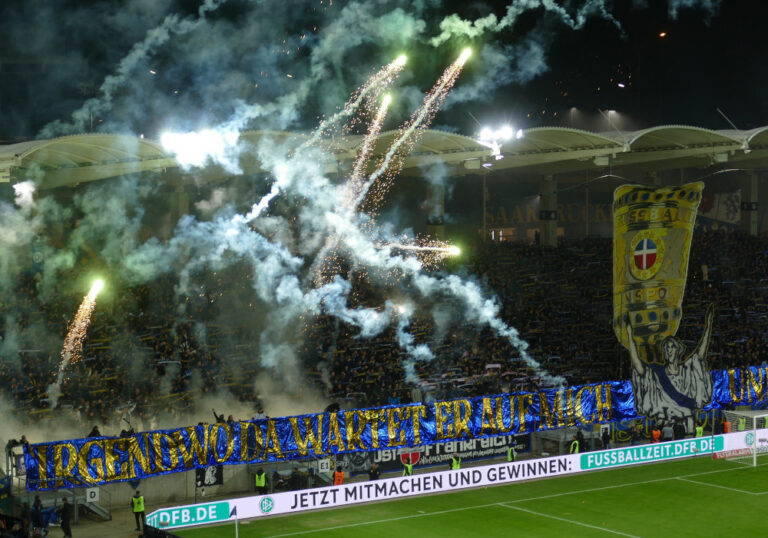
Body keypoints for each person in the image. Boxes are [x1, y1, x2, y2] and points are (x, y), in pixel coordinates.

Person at [625, 305, 715, 421]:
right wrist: (629, 333)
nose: (669, 350)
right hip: (666, 420)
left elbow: (700, 354)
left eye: (672, 347)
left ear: (677, 350)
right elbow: (637, 363)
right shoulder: (657, 372)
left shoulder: (686, 371)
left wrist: (708, 325)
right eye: (667, 347)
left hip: (686, 419)